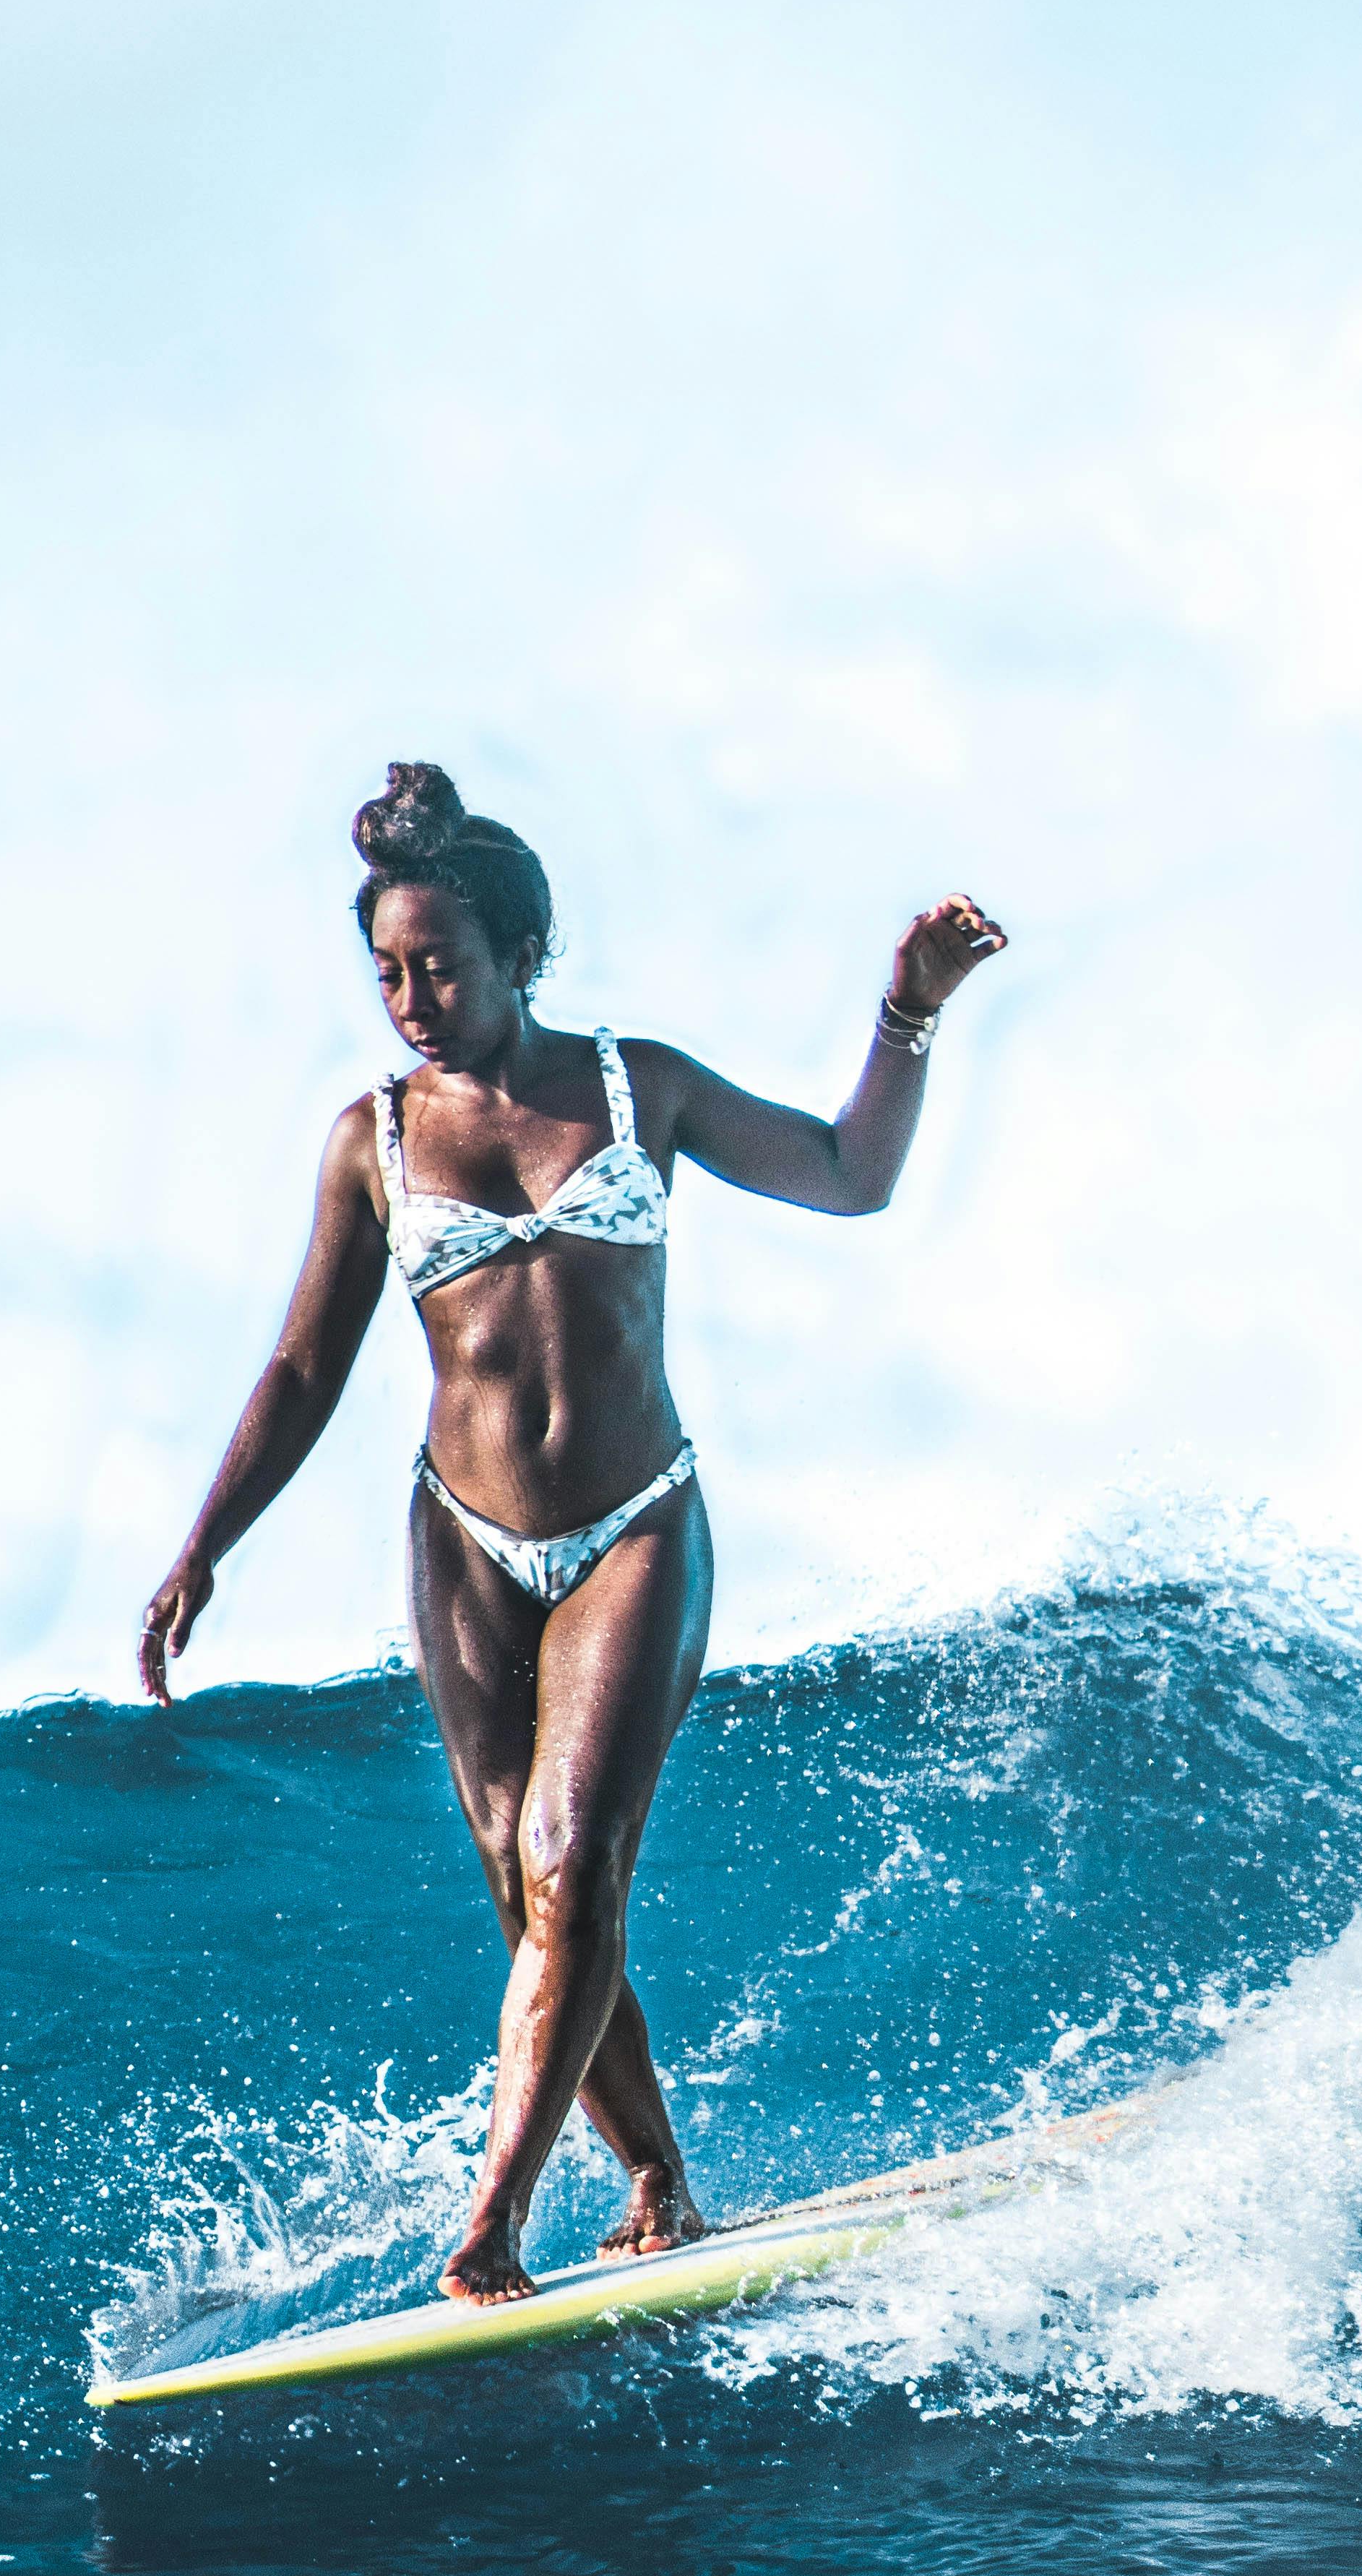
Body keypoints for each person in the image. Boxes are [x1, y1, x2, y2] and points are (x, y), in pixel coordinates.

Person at [138, 762, 1006, 2303]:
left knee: (575, 1857)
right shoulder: (373, 1141)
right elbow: (302, 1365)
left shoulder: (633, 1087)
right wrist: (207, 1546)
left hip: (633, 1528)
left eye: (442, 967)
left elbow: (852, 1175)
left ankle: (493, 2219)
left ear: (519, 955)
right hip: (465, 1540)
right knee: (522, 1887)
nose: (412, 997)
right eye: (389, 971)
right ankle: (659, 2177)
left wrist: (909, 1009)